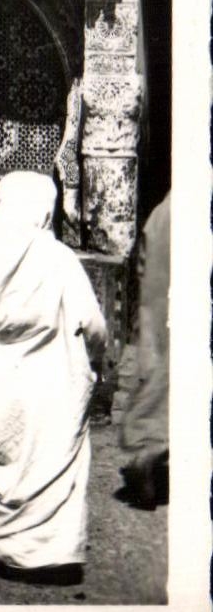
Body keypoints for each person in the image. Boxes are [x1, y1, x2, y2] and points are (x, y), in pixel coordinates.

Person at [0, 170, 107, 573]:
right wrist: (96, 362)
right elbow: (93, 324)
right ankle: (45, 552)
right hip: (50, 382)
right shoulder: (58, 259)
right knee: (49, 454)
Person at [119, 191, 170, 509]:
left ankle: (149, 446)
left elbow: (141, 262)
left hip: (158, 303)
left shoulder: (160, 212)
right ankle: (152, 450)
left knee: (161, 377)